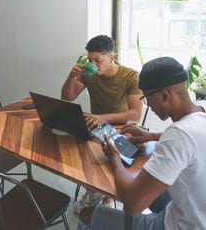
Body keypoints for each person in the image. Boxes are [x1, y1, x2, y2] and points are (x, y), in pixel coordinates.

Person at [77, 56, 206, 230]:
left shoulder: (178, 135)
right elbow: (193, 139)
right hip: (193, 209)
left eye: (146, 97)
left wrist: (115, 159)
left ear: (165, 95)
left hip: (183, 225)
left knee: (86, 214)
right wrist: (151, 136)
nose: (146, 103)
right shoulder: (201, 109)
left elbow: (132, 205)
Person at [61, 35, 143, 212]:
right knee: (72, 150)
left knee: (99, 156)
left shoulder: (130, 76)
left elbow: (135, 114)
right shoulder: (88, 75)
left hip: (122, 128)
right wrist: (71, 77)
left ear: (111, 58)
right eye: (90, 59)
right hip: (96, 125)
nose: (93, 64)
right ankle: (95, 189)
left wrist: (103, 118)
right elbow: (67, 97)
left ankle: (102, 193)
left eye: (97, 60)